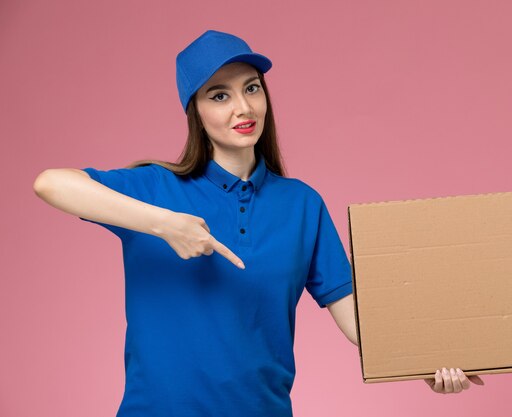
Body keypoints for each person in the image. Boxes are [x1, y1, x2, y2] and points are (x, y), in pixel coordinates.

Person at [33, 29, 484, 416]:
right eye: (219, 95)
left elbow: (357, 322)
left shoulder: (301, 205)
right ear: (195, 111)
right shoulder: (156, 189)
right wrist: (164, 224)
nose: (242, 108)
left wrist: (429, 360)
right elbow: (52, 183)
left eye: (251, 88)